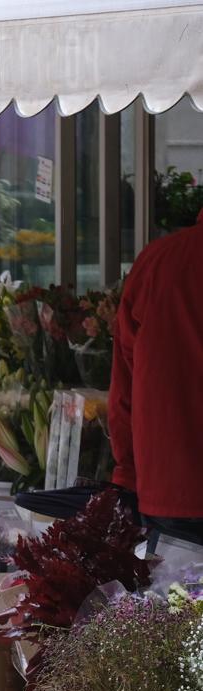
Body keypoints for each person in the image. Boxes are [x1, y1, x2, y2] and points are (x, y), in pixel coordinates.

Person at [109, 207, 203, 546]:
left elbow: (124, 386)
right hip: (169, 487)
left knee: (180, 595)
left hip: (169, 487)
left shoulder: (157, 262)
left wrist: (127, 473)